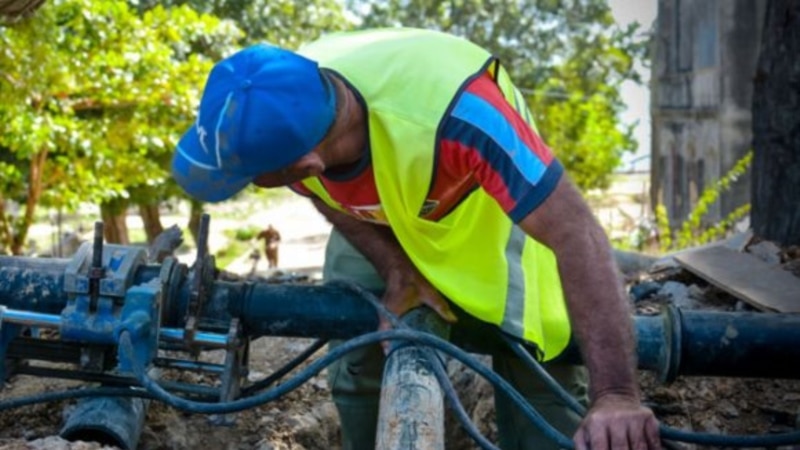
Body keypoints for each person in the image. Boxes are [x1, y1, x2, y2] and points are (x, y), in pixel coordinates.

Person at [171, 28, 661, 450]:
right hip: (383, 219)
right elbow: (322, 191)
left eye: (255, 177)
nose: (254, 183)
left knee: (539, 369)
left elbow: (576, 234)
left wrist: (617, 395)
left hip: (485, 219)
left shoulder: (467, 117)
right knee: (357, 350)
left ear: (304, 165)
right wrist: (395, 268)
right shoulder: (287, 104)